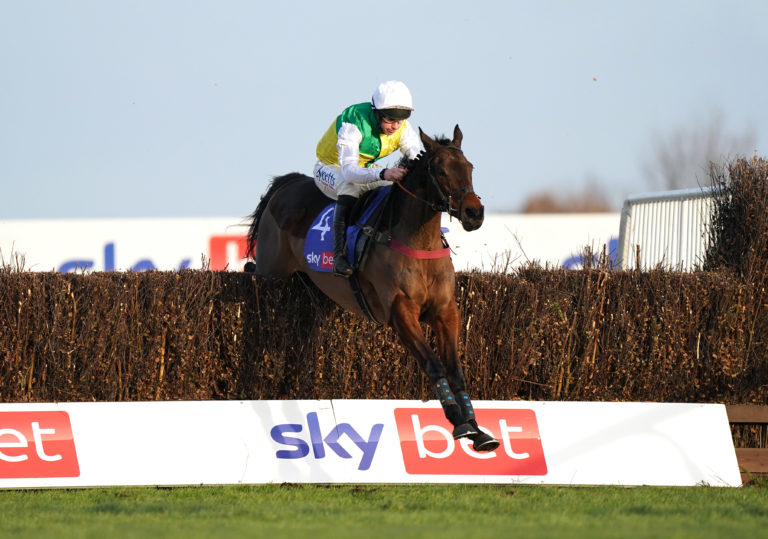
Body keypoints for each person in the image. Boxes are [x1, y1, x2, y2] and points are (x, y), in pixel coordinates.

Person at [314, 80, 422, 277]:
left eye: (401, 119)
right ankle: (339, 256)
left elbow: (417, 157)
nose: (395, 126)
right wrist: (382, 173)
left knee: (401, 184)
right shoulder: (354, 122)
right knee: (351, 187)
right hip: (331, 167)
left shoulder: (402, 127)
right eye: (390, 119)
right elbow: (349, 172)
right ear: (376, 113)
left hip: (362, 167)